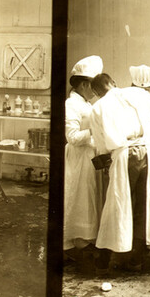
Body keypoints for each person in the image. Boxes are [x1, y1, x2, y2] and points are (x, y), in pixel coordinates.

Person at [89, 73, 150, 274]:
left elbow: (101, 145)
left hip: (125, 153)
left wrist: (107, 163)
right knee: (145, 204)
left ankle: (104, 259)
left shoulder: (98, 107)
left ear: (96, 92)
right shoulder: (136, 93)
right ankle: (137, 258)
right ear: (114, 82)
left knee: (117, 205)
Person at [64, 55, 103, 254]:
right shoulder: (71, 104)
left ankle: (86, 240)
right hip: (78, 157)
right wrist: (95, 132)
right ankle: (78, 242)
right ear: (84, 84)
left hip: (89, 157)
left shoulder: (86, 104)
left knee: (88, 198)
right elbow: (71, 136)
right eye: (93, 86)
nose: (95, 91)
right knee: (80, 198)